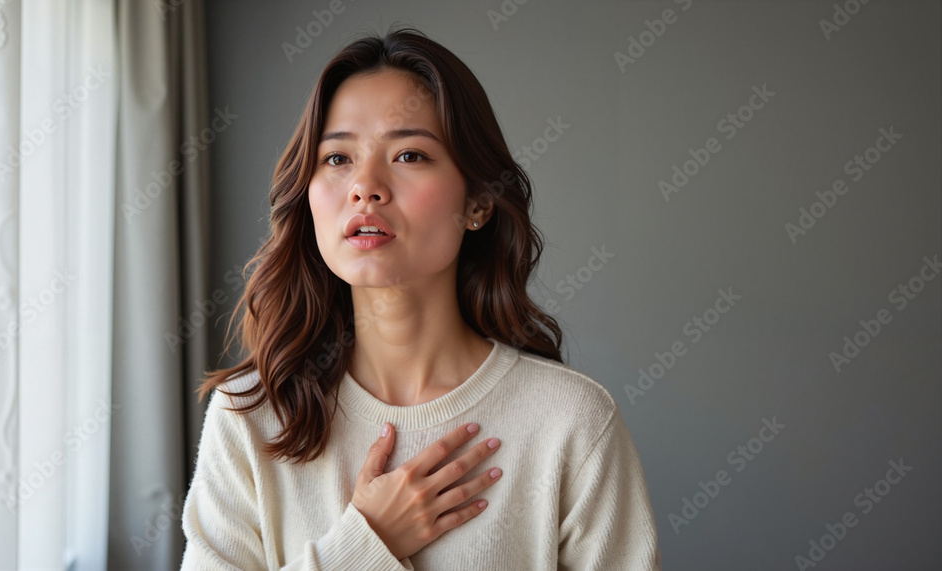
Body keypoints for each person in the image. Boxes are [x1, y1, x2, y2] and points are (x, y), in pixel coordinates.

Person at [180, 26, 662, 570]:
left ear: (478, 202)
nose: (366, 186)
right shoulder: (252, 418)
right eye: (337, 158)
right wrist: (367, 544)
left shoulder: (571, 423)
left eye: (409, 155)